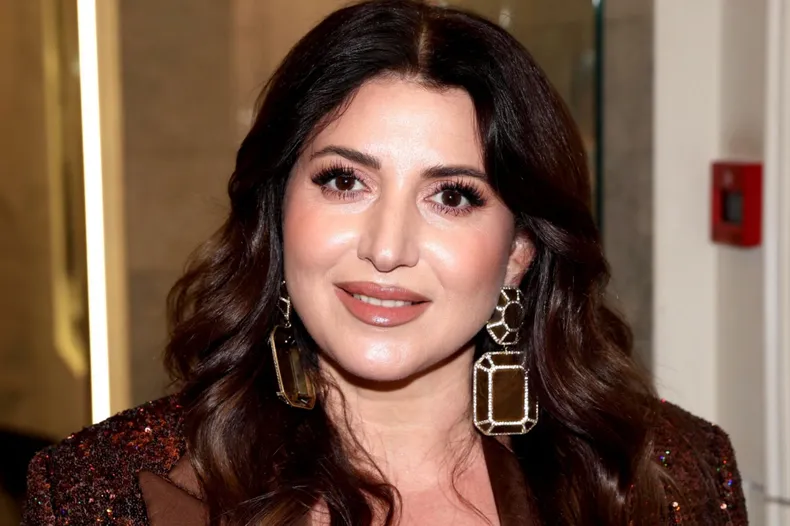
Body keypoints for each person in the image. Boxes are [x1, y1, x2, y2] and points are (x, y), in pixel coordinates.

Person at [22, 1, 747, 524]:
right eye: (345, 181)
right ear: (277, 209)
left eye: (453, 196)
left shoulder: (673, 477)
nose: (387, 247)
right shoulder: (101, 492)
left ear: (519, 251)